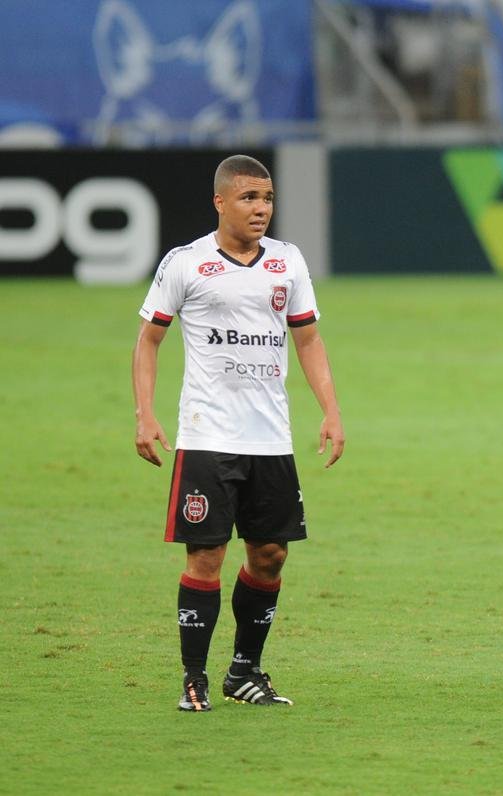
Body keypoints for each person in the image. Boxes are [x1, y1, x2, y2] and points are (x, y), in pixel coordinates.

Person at [132, 154, 345, 712]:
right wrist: (145, 415)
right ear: (220, 202)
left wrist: (331, 410)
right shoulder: (185, 263)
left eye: (268, 198)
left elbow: (308, 341)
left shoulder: (287, 262)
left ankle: (244, 671)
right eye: (249, 198)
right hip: (207, 436)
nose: (262, 209)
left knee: (271, 554)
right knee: (206, 556)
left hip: (270, 439)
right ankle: (194, 676)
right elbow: (149, 340)